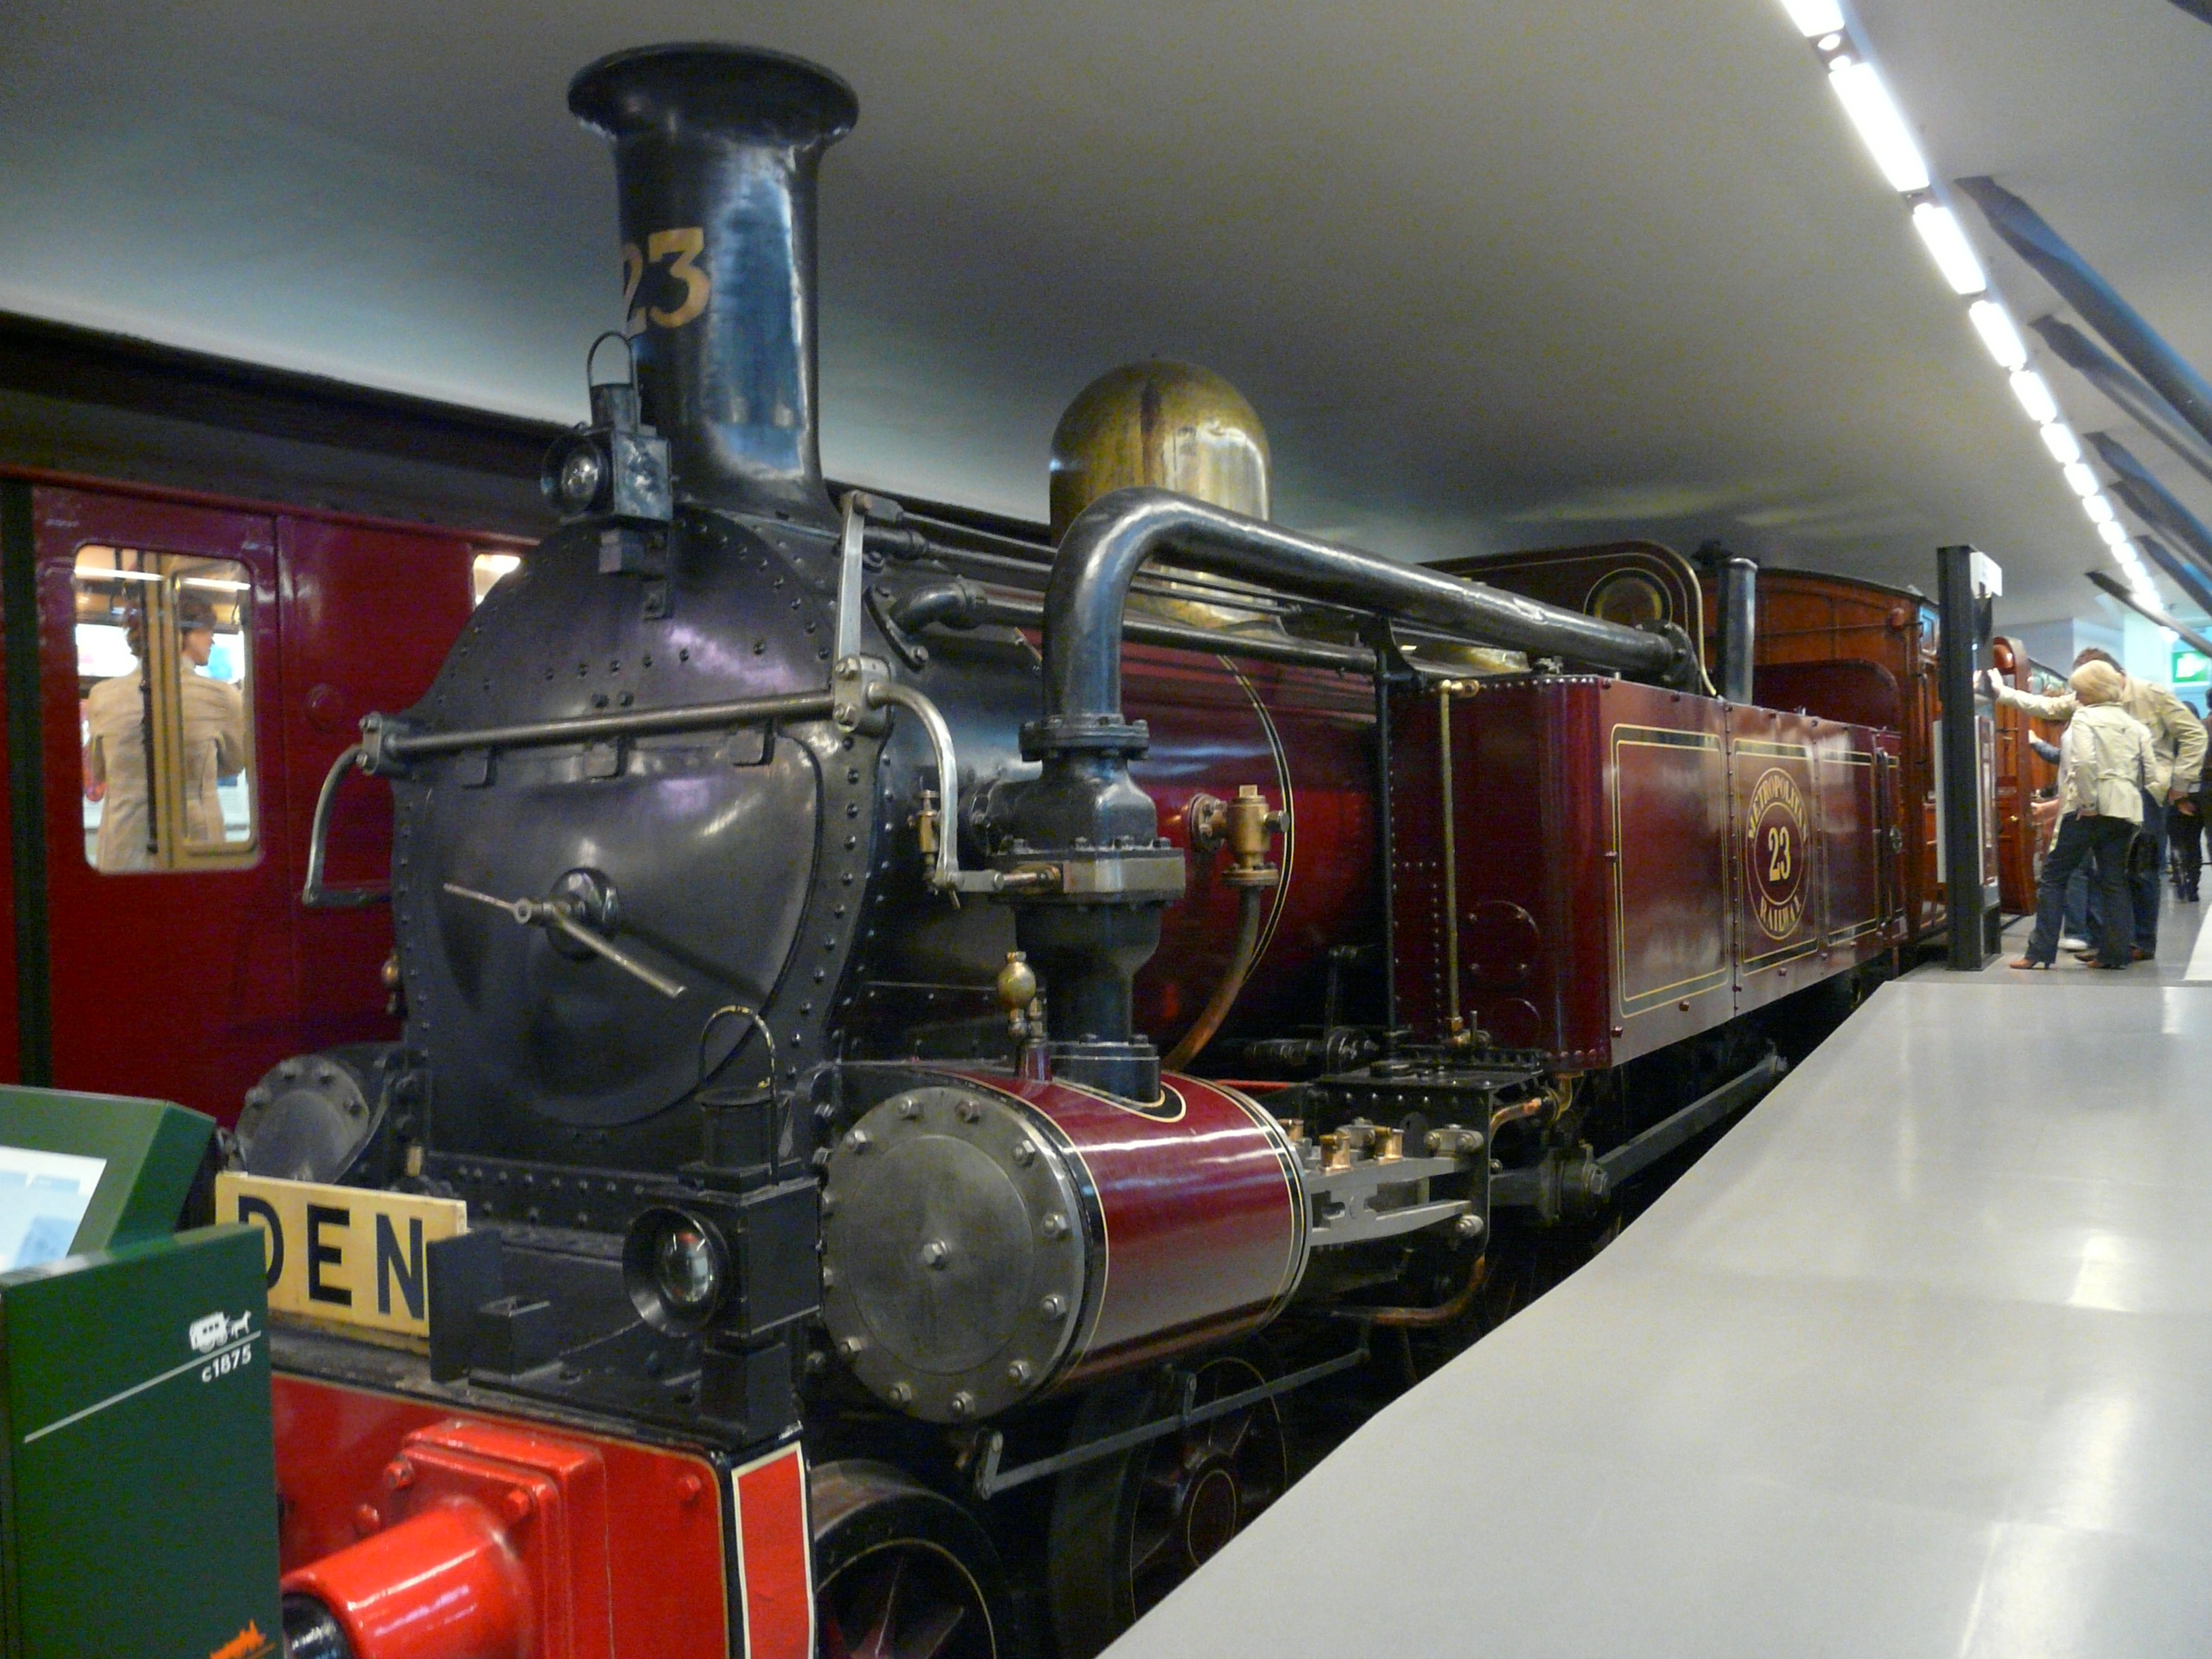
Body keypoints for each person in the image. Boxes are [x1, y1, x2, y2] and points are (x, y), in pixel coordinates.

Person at [1992, 648, 2205, 959]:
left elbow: (2194, 735)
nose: (2076, 697)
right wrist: (2002, 693)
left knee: (2140, 870)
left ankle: (2140, 943)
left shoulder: (2151, 695)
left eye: (2081, 689)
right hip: (2126, 796)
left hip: (2140, 794)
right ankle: (2112, 945)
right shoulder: (2093, 701)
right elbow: (2048, 706)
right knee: (2112, 874)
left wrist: (2177, 784)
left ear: (2103, 678)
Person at [83, 597, 247, 870]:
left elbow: (99, 770)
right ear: (181, 632)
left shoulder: (101, 696)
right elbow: (235, 763)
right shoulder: (221, 697)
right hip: (195, 845)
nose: (213, 640)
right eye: (206, 630)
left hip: (120, 847)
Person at [2010, 658, 2152, 970]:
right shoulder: (2133, 724)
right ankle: (2114, 955)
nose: (2075, 696)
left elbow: (2084, 764)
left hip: (2088, 810)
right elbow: (2150, 771)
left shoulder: (2085, 718)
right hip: (2126, 811)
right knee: (2114, 881)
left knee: (2054, 877)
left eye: (2078, 690)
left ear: (2088, 691)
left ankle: (2039, 953)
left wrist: (2088, 804)